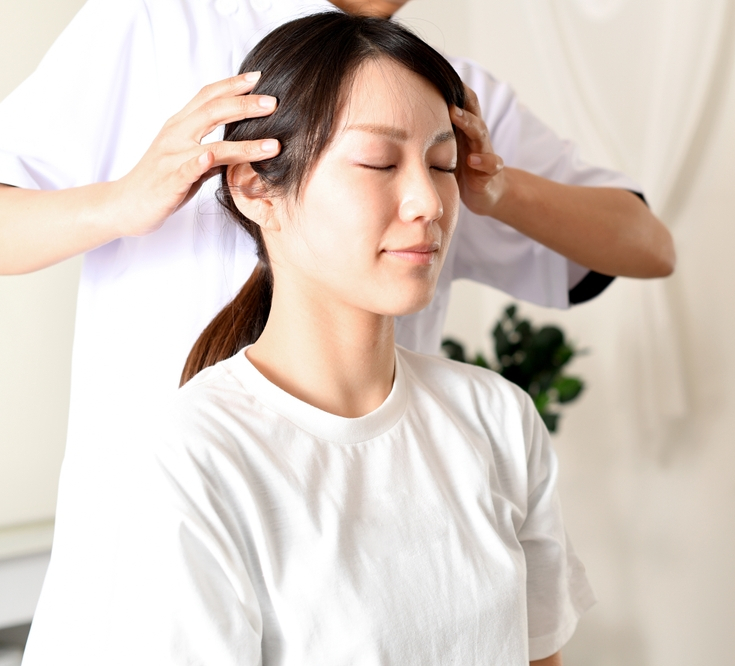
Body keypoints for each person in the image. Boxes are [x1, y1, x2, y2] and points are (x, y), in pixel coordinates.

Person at [1, 0, 671, 660]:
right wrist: (122, 202)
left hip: (381, 523)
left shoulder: (445, 92)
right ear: (254, 189)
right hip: (160, 550)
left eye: (439, 167)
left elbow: (646, 244)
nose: (426, 201)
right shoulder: (153, 23)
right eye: (379, 163)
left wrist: (492, 186)